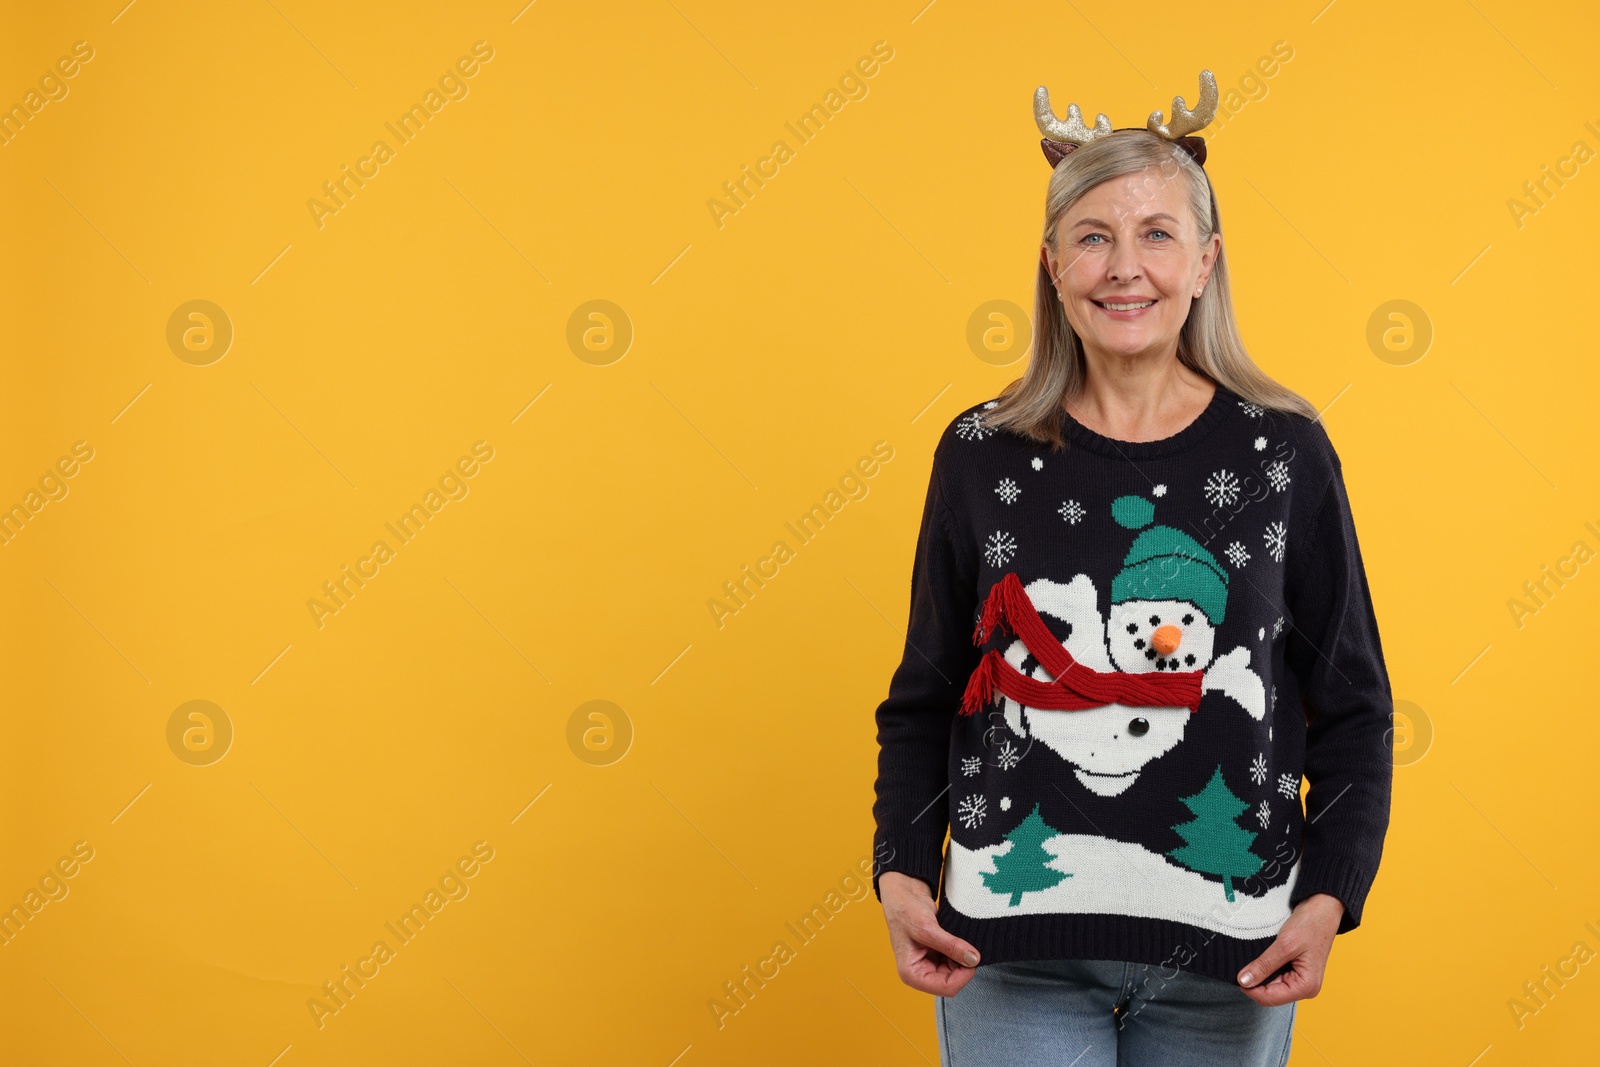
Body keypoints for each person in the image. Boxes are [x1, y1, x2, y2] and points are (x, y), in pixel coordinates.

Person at [870, 71, 1393, 1066]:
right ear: (1052, 265)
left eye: (1156, 232)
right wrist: (900, 868)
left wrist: (1330, 891)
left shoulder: (1281, 455)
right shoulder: (980, 451)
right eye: (1094, 235)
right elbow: (925, 694)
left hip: (1230, 953)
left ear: (1205, 262)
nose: (1125, 267)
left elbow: (1355, 705)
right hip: (1007, 944)